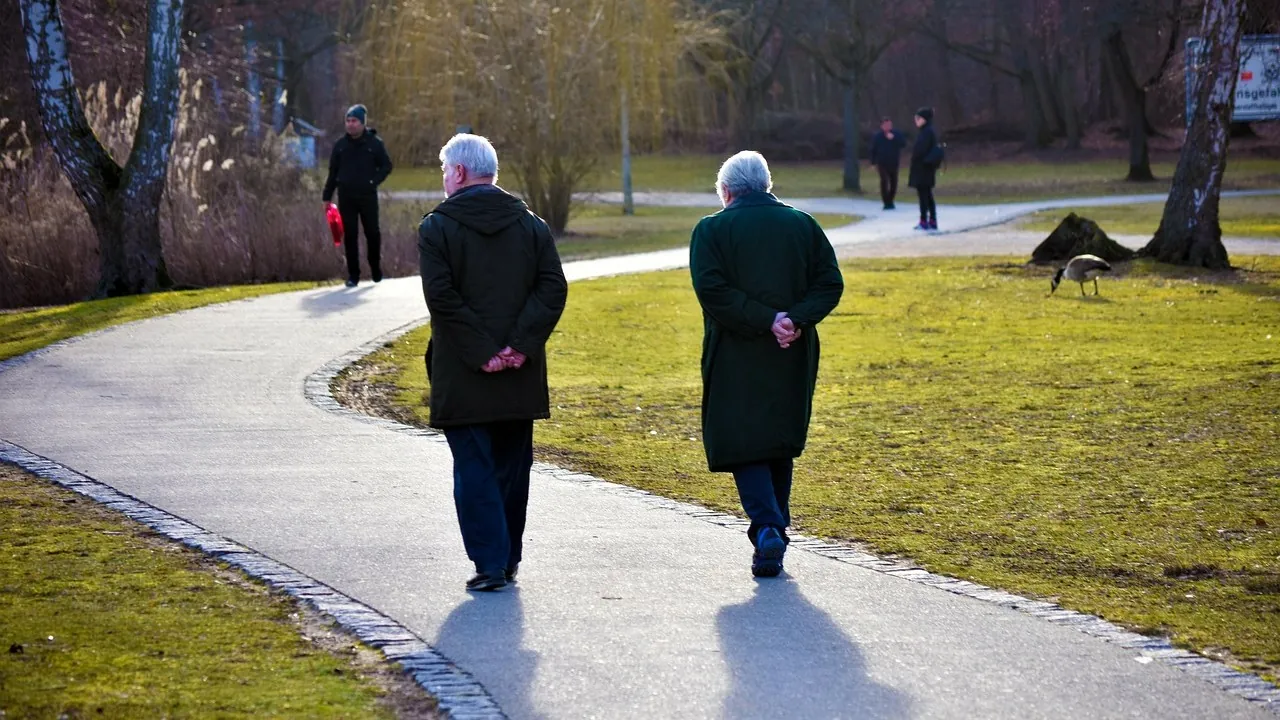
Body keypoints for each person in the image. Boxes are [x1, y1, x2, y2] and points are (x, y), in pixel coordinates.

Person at [418, 134, 568, 592]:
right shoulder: (532, 226)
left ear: (459, 173)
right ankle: (507, 558)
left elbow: (442, 298)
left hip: (463, 373)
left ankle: (490, 562)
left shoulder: (436, 228)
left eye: (445, 170)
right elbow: (552, 288)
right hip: (519, 376)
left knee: (474, 468)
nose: (444, 179)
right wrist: (518, 347)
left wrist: (484, 353)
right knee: (510, 467)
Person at [689, 151, 845, 578]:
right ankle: (774, 529)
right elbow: (830, 283)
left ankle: (768, 528)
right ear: (767, 184)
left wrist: (764, 319)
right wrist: (792, 319)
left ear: (726, 191)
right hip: (791, 348)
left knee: (744, 440)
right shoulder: (803, 225)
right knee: (777, 437)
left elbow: (712, 290)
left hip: (736, 351)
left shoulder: (712, 230)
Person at [323, 104, 393, 287]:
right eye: (348, 121)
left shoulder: (374, 143)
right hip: (346, 197)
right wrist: (327, 197)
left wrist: (373, 181)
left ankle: (375, 269)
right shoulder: (340, 146)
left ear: (362, 123)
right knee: (350, 235)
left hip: (367, 196)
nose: (351, 124)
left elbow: (386, 166)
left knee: (372, 233)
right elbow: (333, 173)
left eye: (354, 121)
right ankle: (353, 275)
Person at [908, 107, 943, 231]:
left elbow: (920, 151)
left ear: (925, 119)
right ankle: (932, 220)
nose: (916, 121)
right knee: (927, 195)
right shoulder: (926, 132)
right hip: (925, 169)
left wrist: (916, 157)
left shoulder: (926, 133)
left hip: (923, 169)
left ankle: (924, 220)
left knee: (924, 195)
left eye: (919, 118)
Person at [869, 116, 907, 210]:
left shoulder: (896, 134)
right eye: (885, 125)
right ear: (882, 126)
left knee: (894, 182)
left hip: (894, 162)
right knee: (884, 180)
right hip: (882, 163)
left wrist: (894, 138)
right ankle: (886, 202)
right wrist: (873, 162)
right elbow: (873, 149)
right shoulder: (877, 136)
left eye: (889, 125)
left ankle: (890, 200)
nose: (888, 127)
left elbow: (903, 144)